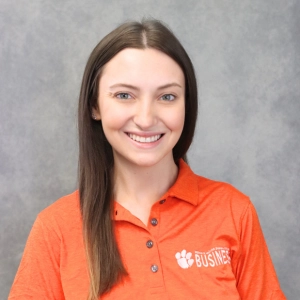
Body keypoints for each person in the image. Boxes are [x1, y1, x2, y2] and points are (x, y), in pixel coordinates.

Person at [9, 19, 286, 300]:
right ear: (95, 105)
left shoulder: (234, 211)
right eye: (124, 95)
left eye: (167, 96)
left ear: (186, 105)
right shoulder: (54, 228)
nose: (145, 119)